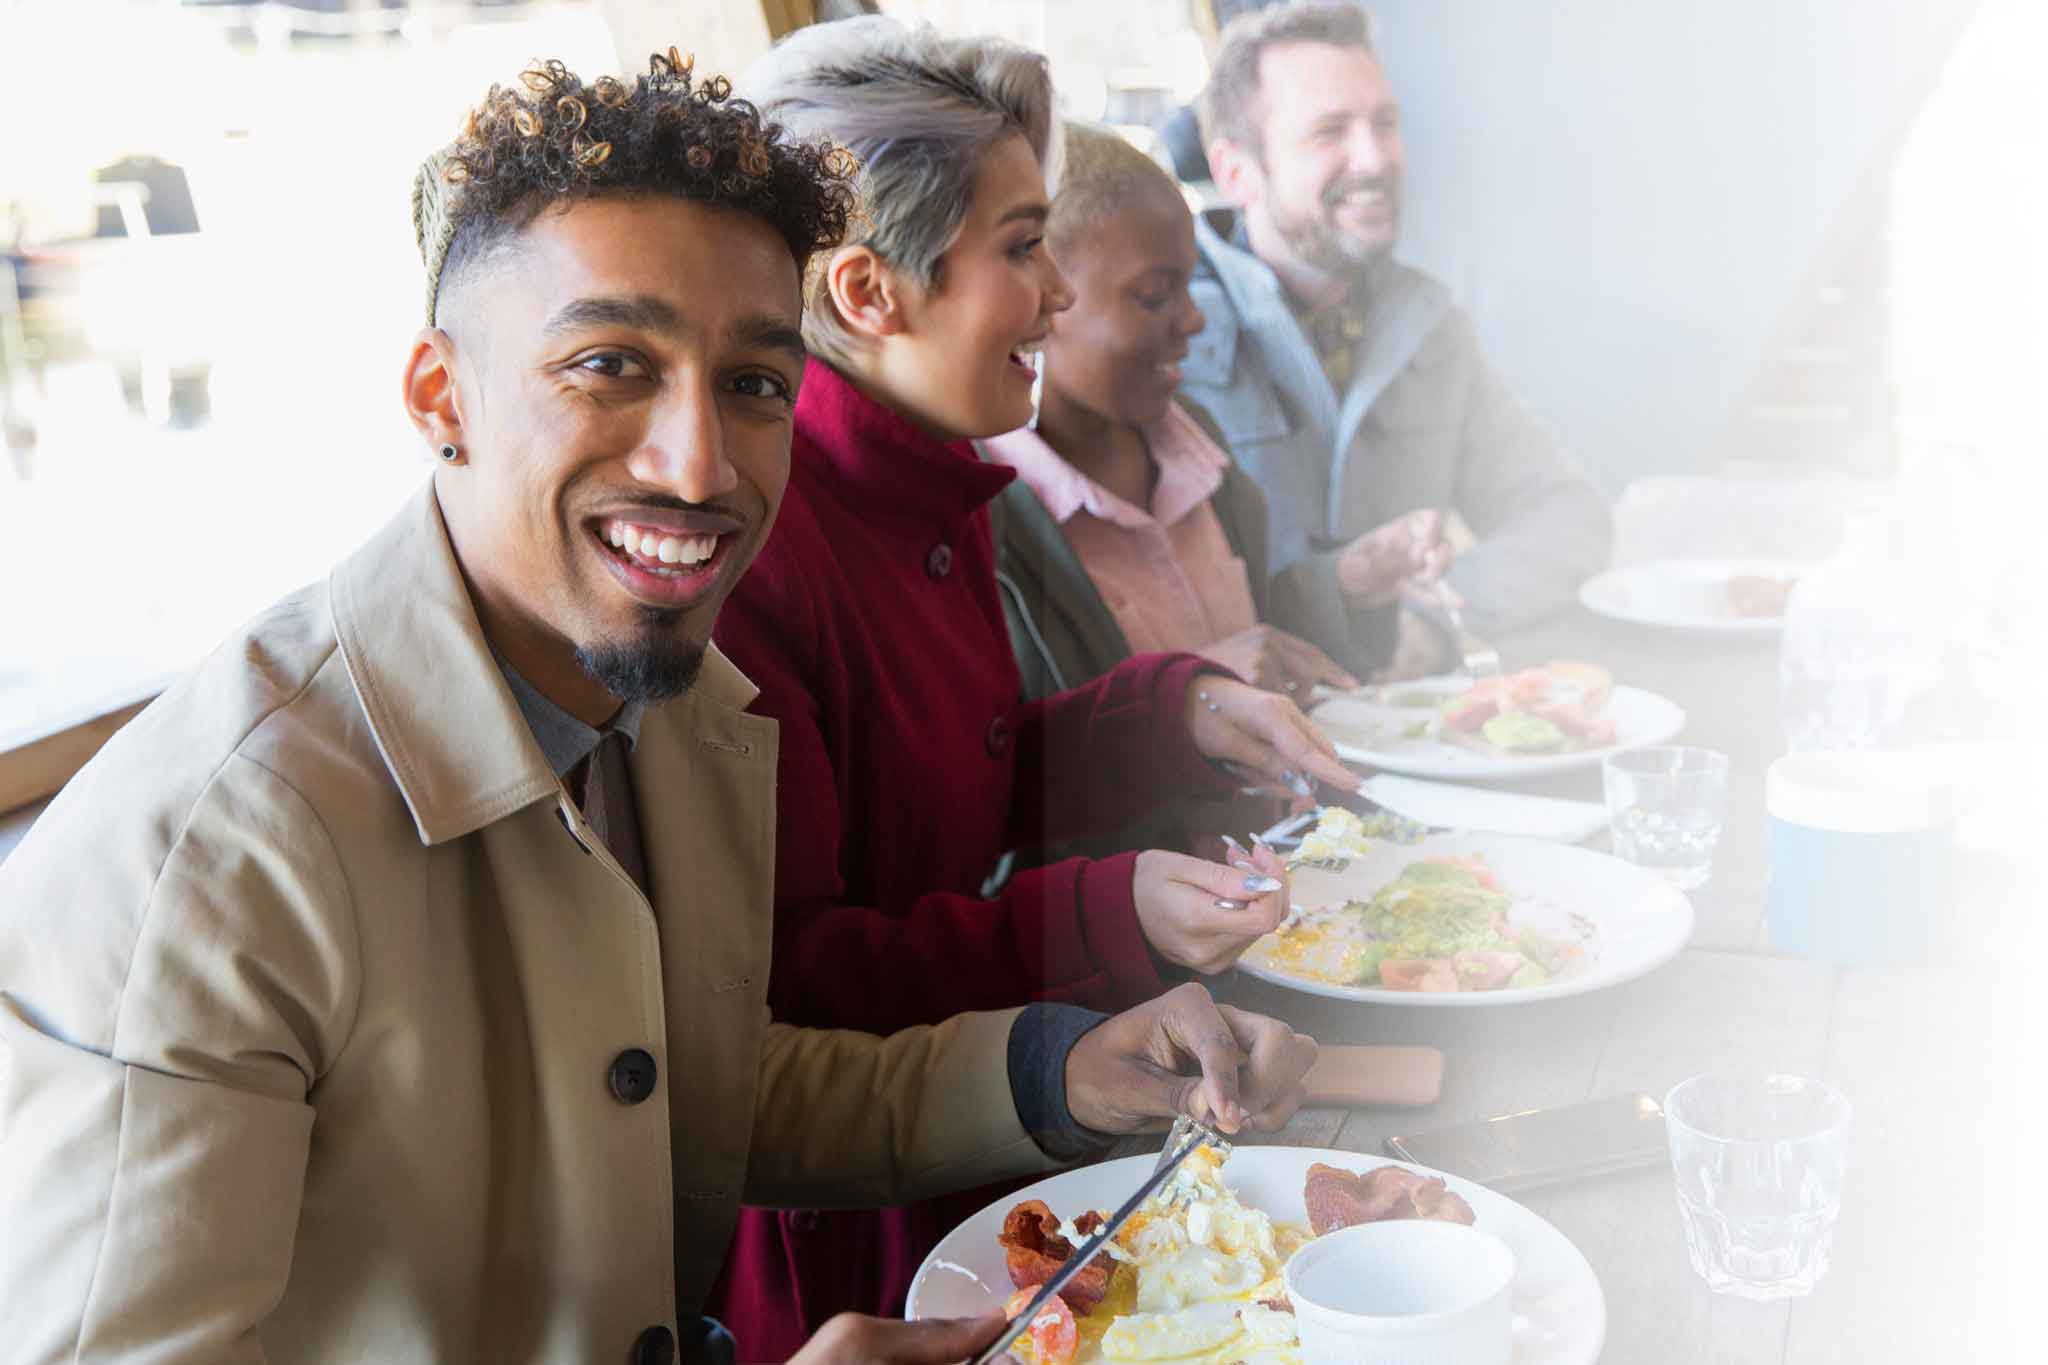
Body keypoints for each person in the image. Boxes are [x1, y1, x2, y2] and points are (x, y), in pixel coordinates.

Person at [0, 51, 1317, 1364]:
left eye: (753, 382)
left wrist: (1055, 1073)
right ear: (437, 398)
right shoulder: (207, 861)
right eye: (609, 364)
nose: (699, 465)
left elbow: (698, 1085)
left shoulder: (679, 715)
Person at [709, 18, 1357, 1357]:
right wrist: (1108, 906)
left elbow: (970, 779)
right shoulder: (764, 551)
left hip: (987, 1162)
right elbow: (807, 985)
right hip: (859, 1248)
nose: (1055, 298)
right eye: (1020, 249)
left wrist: (1178, 706)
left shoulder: (935, 486)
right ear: (868, 292)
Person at [1185, 0, 1613, 680]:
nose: (1376, 157)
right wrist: (1335, 586)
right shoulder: (1165, 335)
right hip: (1239, 766)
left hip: (1413, 753)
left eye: (1385, 123)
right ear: (1236, 171)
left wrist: (1441, 617)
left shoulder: (1432, 324)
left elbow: (1568, 517)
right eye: (1330, 132)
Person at [985, 120, 1367, 703]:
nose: (1192, 320)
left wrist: (1346, 583)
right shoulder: (992, 516)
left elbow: (1253, 641)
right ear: (1043, 295)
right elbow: (1016, 745)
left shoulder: (1199, 449)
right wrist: (1187, 692)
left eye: (1189, 287)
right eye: (1154, 296)